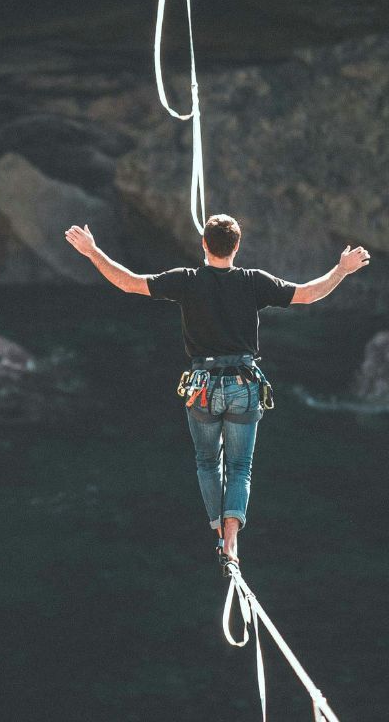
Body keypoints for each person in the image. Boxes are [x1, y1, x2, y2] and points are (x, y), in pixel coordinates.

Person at [64, 215, 369, 571]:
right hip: (244, 384)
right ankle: (231, 540)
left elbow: (129, 283)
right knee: (240, 468)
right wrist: (342, 269)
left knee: (209, 462)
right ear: (237, 247)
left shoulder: (187, 281)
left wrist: (92, 252)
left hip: (203, 386)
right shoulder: (254, 282)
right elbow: (307, 293)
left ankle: (217, 529)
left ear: (204, 245)